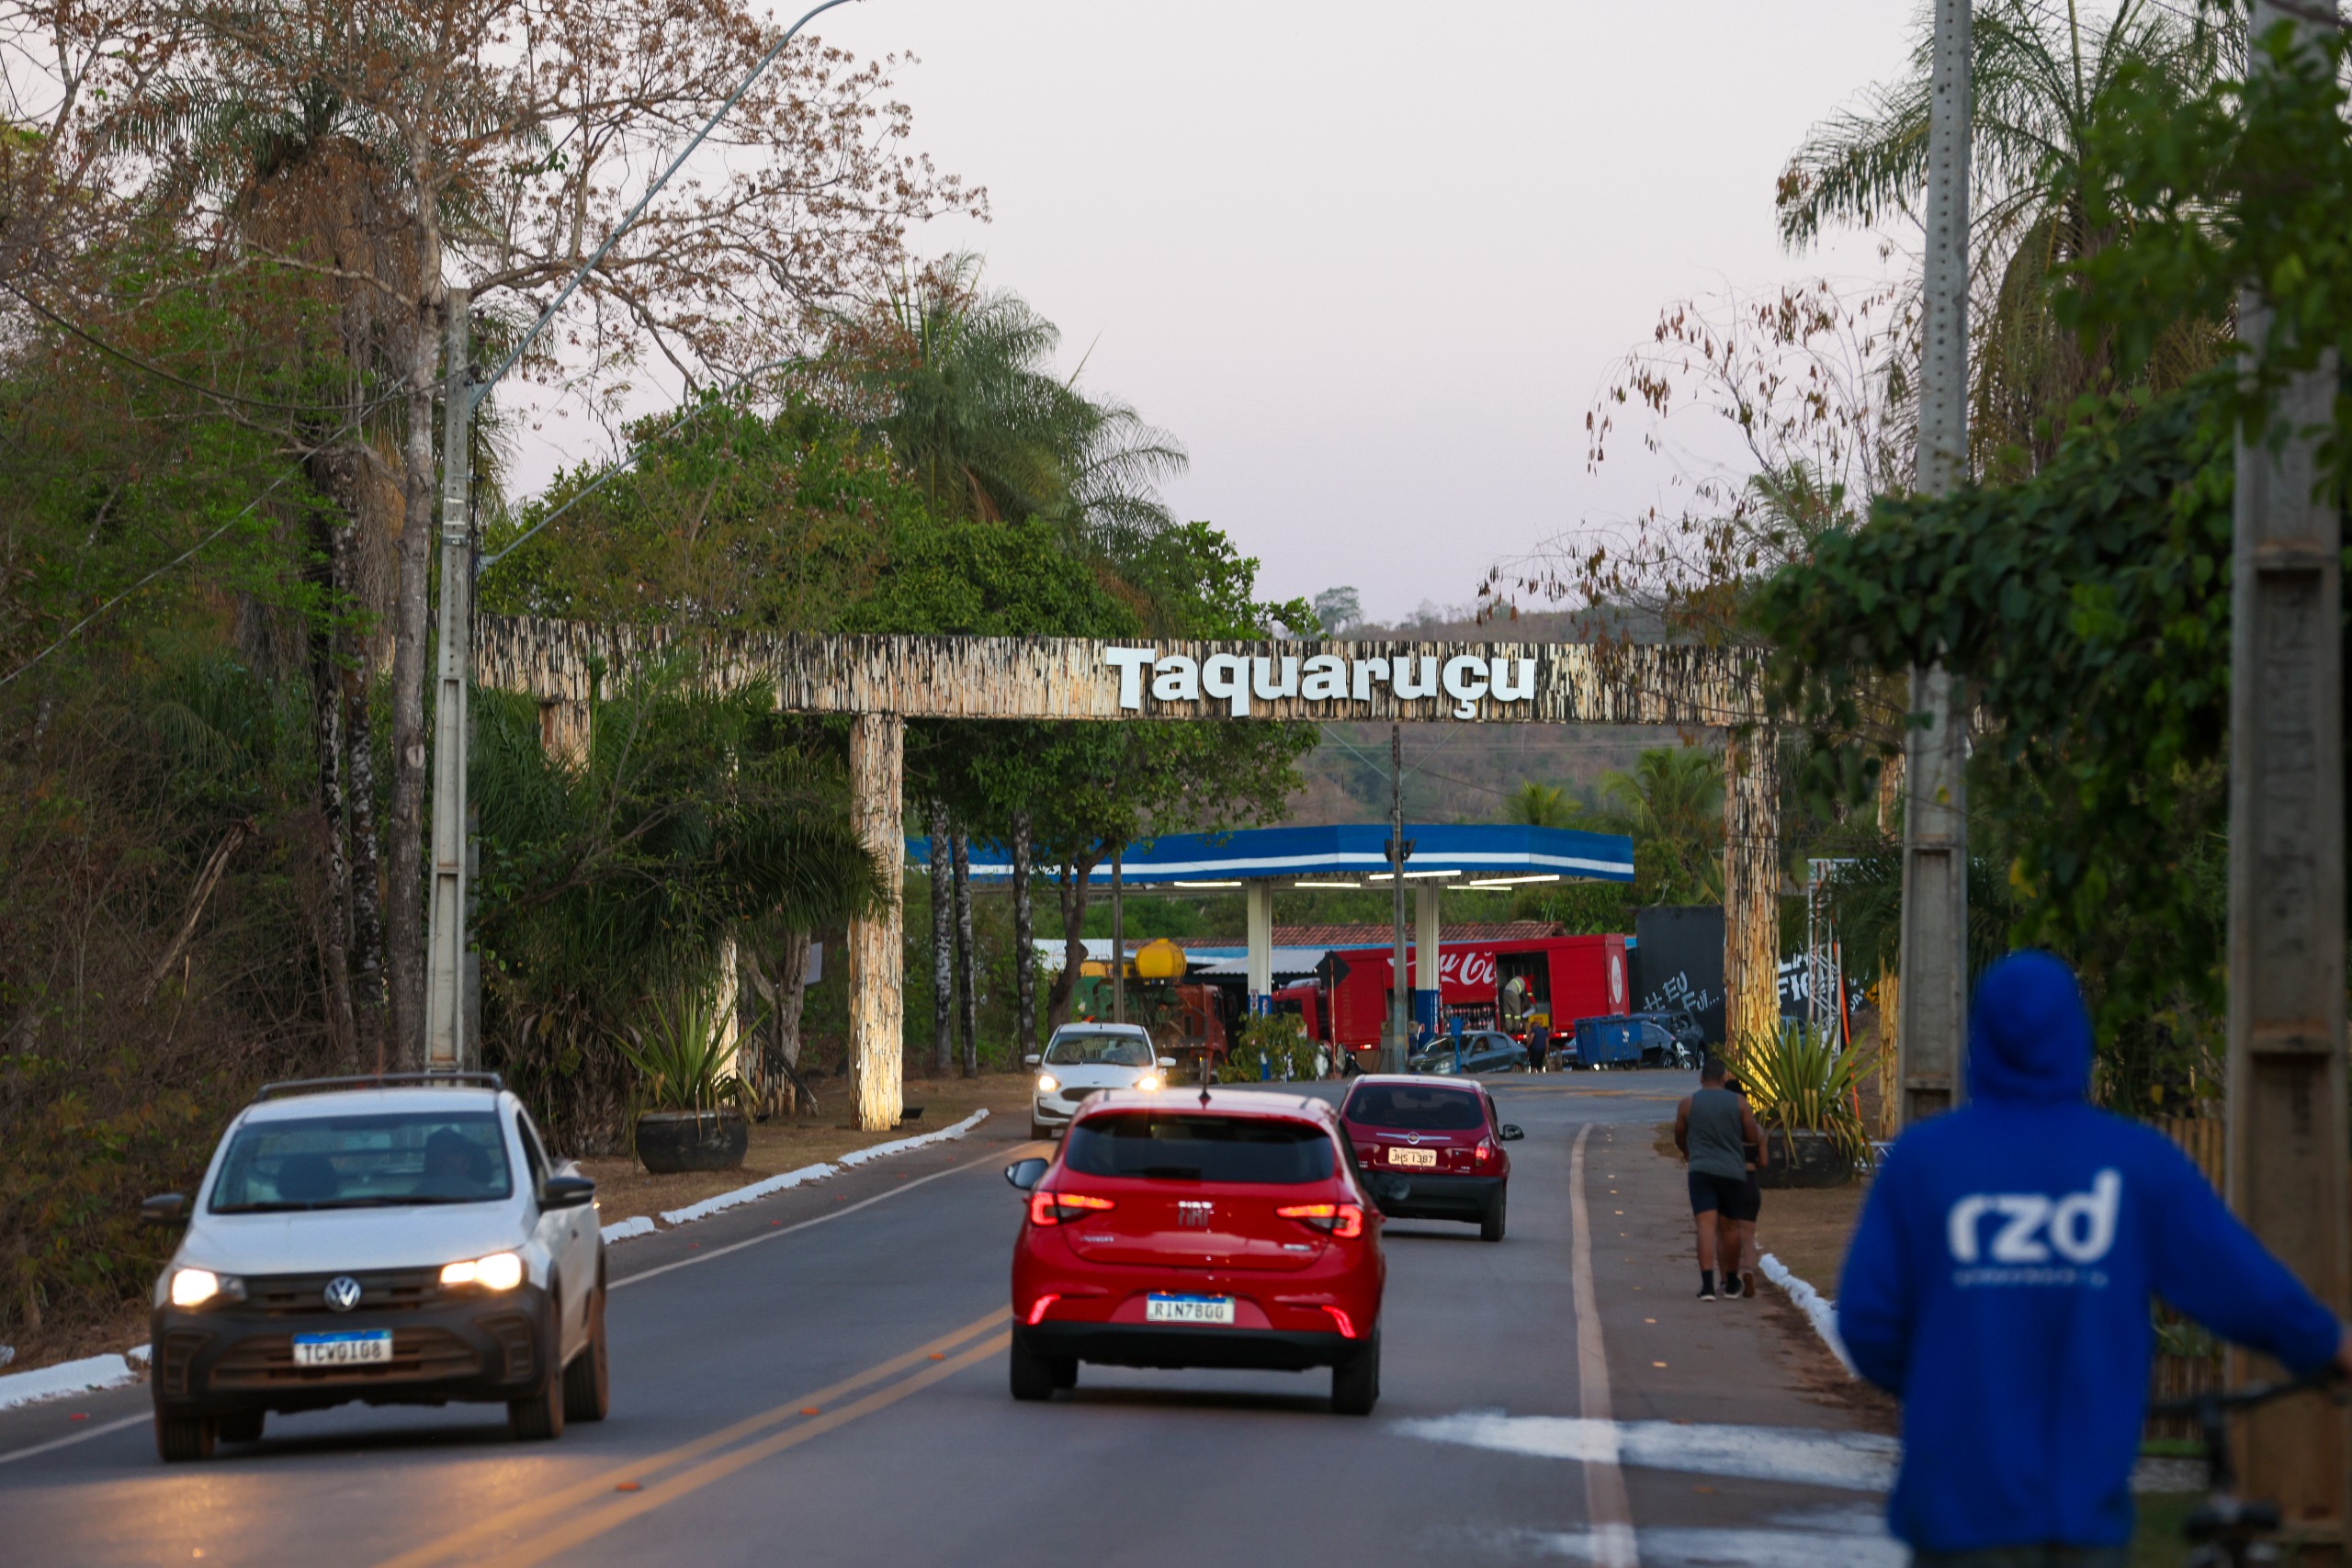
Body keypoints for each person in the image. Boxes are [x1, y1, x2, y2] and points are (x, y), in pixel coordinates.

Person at [1839, 951, 2352, 1565]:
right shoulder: (2135, 1163)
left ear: (1981, 1035)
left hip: (1957, 1512)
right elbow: (2237, 1281)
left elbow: (1867, 1323)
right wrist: (2328, 1343)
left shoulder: (1923, 1162)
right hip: (2081, 1510)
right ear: (2074, 1035)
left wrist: (1948, 1383)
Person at [1675, 1057, 1767, 1301]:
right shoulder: (1739, 1103)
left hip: (1701, 1170)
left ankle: (1707, 1286)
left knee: (1705, 1227)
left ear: (1701, 1078)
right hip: (1732, 1171)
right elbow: (1752, 1136)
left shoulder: (1687, 1104)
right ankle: (1732, 1282)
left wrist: (1688, 1152)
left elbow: (1679, 1135)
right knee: (1731, 1227)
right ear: (1724, 1078)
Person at [1718, 1072, 1763, 1300]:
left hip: (1730, 1181)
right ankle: (1748, 1271)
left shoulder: (1725, 1130)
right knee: (1748, 1235)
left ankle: (1726, 1279)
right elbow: (1764, 1161)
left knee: (1725, 1232)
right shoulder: (1756, 1129)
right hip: (1751, 1183)